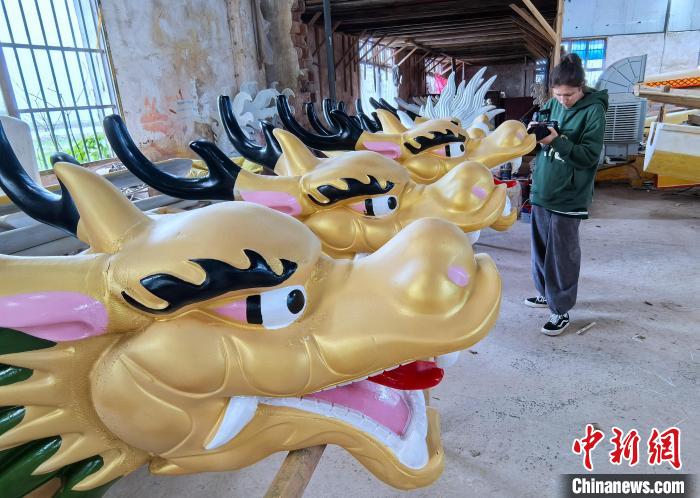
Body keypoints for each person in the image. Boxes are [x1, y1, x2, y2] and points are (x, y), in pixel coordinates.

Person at [524, 53, 608, 336]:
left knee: (562, 255)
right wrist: (532, 135)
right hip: (543, 190)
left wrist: (556, 141)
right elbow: (541, 134)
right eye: (558, 94)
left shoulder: (593, 111)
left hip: (569, 196)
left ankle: (560, 309)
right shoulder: (552, 104)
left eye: (569, 95)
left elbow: (588, 156)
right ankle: (545, 293)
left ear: (581, 88)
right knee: (540, 249)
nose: (563, 100)